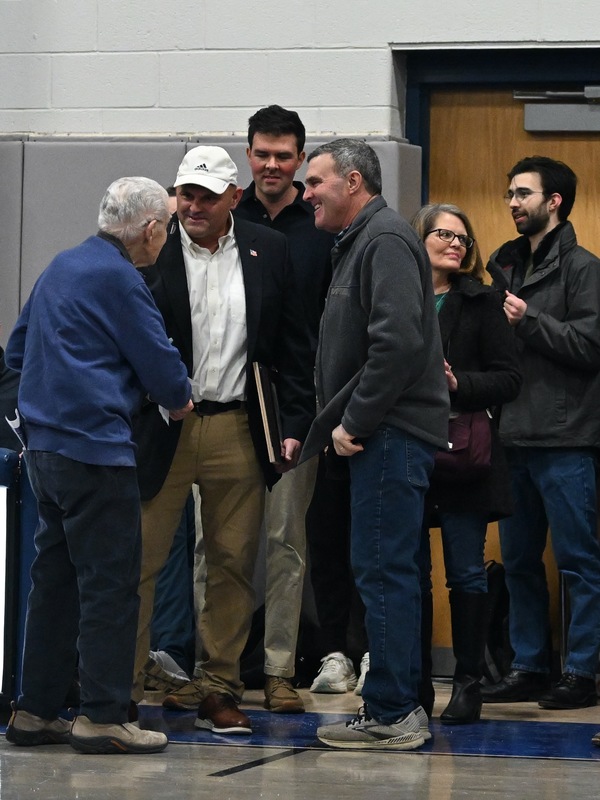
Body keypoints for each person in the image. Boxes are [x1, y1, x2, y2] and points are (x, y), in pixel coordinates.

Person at [4, 176, 193, 755]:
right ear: (150, 229)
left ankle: (33, 711)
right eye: (168, 224)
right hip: (97, 452)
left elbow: (15, 351)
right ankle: (103, 716)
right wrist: (174, 395)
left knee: (54, 584)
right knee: (111, 588)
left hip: (45, 453)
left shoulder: (61, 265)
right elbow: (164, 372)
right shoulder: (122, 278)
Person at [131, 145, 315, 735]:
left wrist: (291, 427)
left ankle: (218, 686)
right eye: (186, 193)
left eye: (207, 195)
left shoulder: (271, 251)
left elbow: (293, 348)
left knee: (233, 563)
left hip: (239, 424)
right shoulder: (151, 252)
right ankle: (124, 689)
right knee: (140, 560)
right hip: (166, 424)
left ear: (234, 198)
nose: (193, 205)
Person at [300, 139, 449, 750]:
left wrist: (353, 422)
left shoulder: (383, 239)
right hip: (388, 432)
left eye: (316, 182)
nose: (306, 193)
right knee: (393, 570)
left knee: (384, 570)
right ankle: (400, 705)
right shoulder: (365, 240)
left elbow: (396, 345)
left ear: (353, 182)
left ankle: (391, 713)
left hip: (387, 434)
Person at [482, 155, 600, 709]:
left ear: (554, 202)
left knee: (579, 562)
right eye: (509, 193)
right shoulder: (502, 265)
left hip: (567, 439)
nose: (512, 203)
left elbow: (590, 347)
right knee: (522, 561)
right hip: (511, 438)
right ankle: (528, 665)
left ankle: (582, 672)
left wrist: (527, 319)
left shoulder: (584, 269)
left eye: (523, 194)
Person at [230, 104, 335, 712]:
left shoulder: (319, 222)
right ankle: (216, 667)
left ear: (299, 158)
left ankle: (278, 671)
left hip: (299, 406)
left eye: (284, 155)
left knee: (286, 542)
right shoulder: (222, 214)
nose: (272, 165)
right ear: (249, 155)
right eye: (262, 154)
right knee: (215, 547)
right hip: (225, 404)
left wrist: (311, 416)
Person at [411, 203, 521, 724]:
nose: (456, 244)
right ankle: (410, 683)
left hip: (463, 455)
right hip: (406, 449)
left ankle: (468, 682)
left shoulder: (481, 301)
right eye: (443, 234)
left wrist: (461, 385)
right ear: (419, 239)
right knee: (409, 574)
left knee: (465, 573)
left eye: (463, 238)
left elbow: (509, 378)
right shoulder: (398, 297)